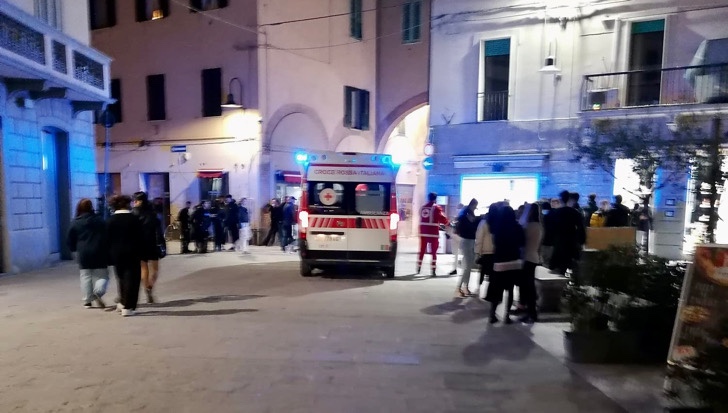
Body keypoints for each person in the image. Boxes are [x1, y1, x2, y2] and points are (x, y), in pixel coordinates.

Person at [67, 198, 109, 309]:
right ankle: (98, 292)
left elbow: (70, 238)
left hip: (83, 252)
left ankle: (87, 301)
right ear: (91, 207)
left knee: (85, 276)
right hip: (99, 251)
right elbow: (107, 235)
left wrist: (73, 249)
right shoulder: (100, 221)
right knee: (102, 276)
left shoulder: (75, 222)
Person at [485, 205, 524, 324]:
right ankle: (507, 316)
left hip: (499, 262)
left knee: (497, 289)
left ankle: (492, 314)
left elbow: (495, 243)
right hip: (513, 262)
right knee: (510, 290)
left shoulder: (497, 228)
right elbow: (522, 243)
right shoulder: (517, 227)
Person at [107, 195, 143, 317]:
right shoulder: (134, 219)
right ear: (127, 204)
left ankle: (122, 302)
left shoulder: (110, 220)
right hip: (133, 253)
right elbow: (140, 237)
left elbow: (107, 239)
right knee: (133, 279)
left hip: (116, 253)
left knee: (121, 278)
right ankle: (129, 306)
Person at [133, 191, 165, 304]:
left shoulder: (133, 214)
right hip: (152, 243)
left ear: (138, 201)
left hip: (139, 244)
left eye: (135, 200)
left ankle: (146, 287)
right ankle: (150, 286)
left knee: (144, 268)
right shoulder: (152, 213)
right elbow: (159, 231)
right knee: (155, 269)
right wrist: (162, 243)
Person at [550, 190, 586, 275]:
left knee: (558, 266)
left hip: (559, 241)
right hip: (571, 241)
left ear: (561, 199)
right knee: (570, 265)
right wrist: (581, 241)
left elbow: (552, 228)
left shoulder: (557, 213)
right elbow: (581, 227)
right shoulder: (575, 212)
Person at [417, 192, 449, 277]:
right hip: (433, 233)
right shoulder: (436, 208)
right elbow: (442, 218)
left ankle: (419, 267)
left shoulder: (422, 207)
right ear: (435, 198)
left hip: (423, 232)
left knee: (422, 250)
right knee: (433, 252)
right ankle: (433, 269)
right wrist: (448, 223)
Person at [520, 203, 542, 324]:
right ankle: (530, 312)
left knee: (528, 287)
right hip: (534, 257)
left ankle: (531, 313)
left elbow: (522, 239)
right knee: (529, 286)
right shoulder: (539, 226)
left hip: (527, 258)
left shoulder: (529, 226)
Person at [455, 199, 479, 297]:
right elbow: (470, 226)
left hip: (468, 240)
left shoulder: (466, 213)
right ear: (473, 205)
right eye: (475, 206)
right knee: (467, 266)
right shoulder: (467, 214)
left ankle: (465, 287)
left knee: (468, 267)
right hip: (467, 241)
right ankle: (460, 287)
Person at [475, 204, 497, 296]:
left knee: (483, 271)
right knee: (492, 274)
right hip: (495, 252)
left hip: (485, 252)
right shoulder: (498, 222)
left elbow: (479, 238)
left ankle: (478, 289)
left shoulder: (484, 223)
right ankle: (490, 293)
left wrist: (477, 252)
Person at [449, 203, 464, 276]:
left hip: (458, 236)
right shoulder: (459, 217)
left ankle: (456, 268)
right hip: (458, 237)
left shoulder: (459, 217)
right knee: (457, 254)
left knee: (457, 254)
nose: (458, 210)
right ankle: (456, 268)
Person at [540, 201, 556, 267]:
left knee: (545, 259)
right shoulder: (554, 215)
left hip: (545, 241)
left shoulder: (546, 217)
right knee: (548, 259)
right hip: (552, 242)